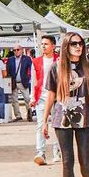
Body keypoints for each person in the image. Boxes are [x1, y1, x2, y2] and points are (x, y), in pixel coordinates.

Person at [44, 34, 89, 177]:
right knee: (67, 161)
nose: (78, 46)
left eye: (81, 43)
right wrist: (44, 121)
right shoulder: (56, 68)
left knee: (85, 159)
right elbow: (51, 94)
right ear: (66, 46)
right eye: (74, 43)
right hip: (62, 117)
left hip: (84, 116)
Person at [32, 35, 59, 166]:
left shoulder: (59, 60)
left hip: (57, 98)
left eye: (46, 44)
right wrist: (33, 97)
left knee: (56, 125)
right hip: (42, 97)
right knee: (40, 125)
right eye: (42, 44)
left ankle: (57, 151)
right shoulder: (36, 61)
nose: (43, 46)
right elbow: (34, 80)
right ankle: (41, 152)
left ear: (53, 46)